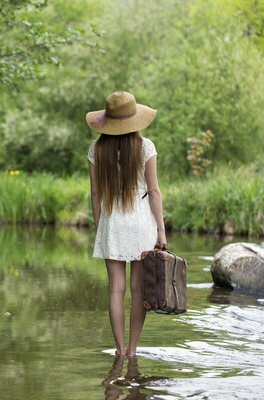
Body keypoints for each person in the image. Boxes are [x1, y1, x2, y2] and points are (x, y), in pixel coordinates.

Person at [86, 91, 167, 357]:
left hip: (112, 222)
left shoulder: (97, 150)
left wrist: (100, 227)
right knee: (138, 289)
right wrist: (161, 230)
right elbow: (154, 192)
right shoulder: (145, 147)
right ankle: (133, 350)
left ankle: (119, 350)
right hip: (141, 221)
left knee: (115, 289)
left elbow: (96, 194)